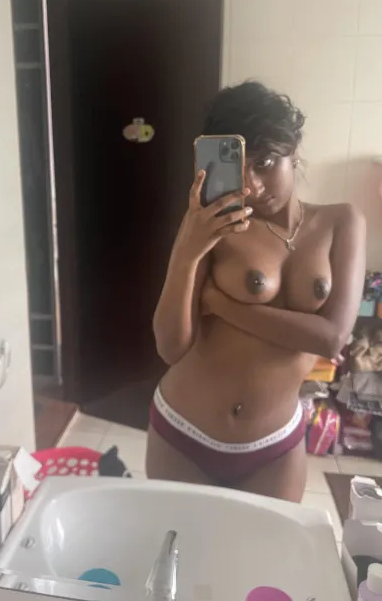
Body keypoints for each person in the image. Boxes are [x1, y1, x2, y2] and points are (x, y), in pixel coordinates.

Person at [146, 81, 366, 502]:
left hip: (274, 447)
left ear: (293, 150)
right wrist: (187, 251)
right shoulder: (214, 225)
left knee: (267, 546)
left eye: (265, 163)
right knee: (184, 544)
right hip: (184, 432)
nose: (251, 185)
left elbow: (331, 338)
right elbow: (171, 347)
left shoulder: (342, 222)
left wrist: (221, 304)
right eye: (239, 167)